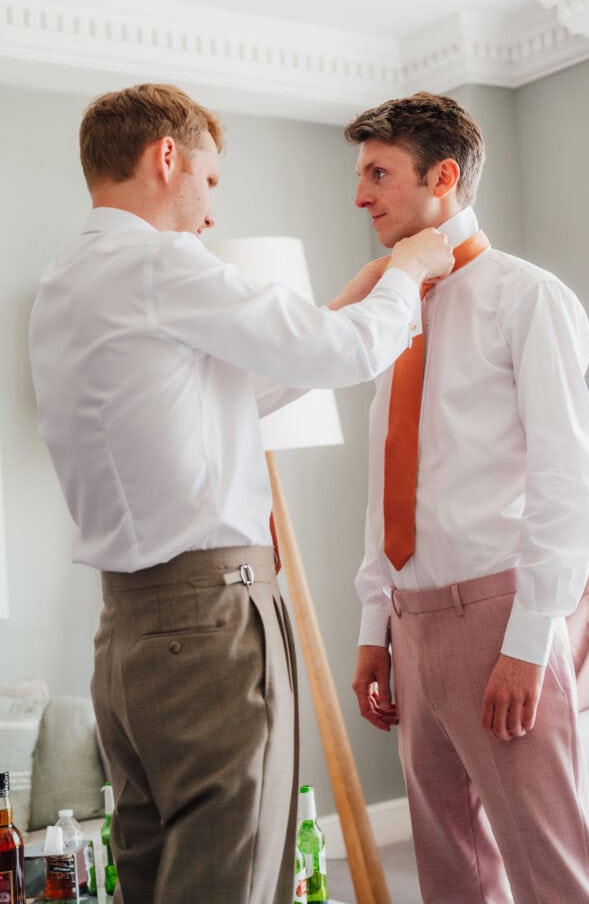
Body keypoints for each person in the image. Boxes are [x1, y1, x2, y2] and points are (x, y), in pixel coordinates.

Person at [28, 83, 454, 904]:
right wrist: (406, 272)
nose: (210, 211)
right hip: (212, 620)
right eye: (210, 181)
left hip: (127, 633)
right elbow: (341, 355)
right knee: (234, 879)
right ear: (165, 157)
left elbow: (222, 397)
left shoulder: (67, 281)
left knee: (156, 880)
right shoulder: (159, 261)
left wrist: (345, 305)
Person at [347, 92, 589, 903]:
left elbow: (566, 479)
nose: (360, 194)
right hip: (410, 619)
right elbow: (386, 474)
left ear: (443, 176)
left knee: (550, 867)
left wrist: (530, 642)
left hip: (498, 617)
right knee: (450, 871)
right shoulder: (392, 308)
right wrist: (374, 626)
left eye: (377, 173)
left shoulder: (525, 297)